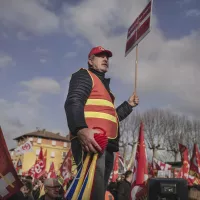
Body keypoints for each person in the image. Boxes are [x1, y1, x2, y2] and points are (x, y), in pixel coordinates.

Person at [65, 46, 139, 200]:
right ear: (90, 61)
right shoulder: (84, 75)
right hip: (91, 141)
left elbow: (112, 118)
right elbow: (74, 101)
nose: (105, 59)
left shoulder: (107, 91)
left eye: (107, 57)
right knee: (91, 191)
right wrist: (80, 129)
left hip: (107, 145)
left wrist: (129, 105)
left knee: (99, 192)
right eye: (100, 56)